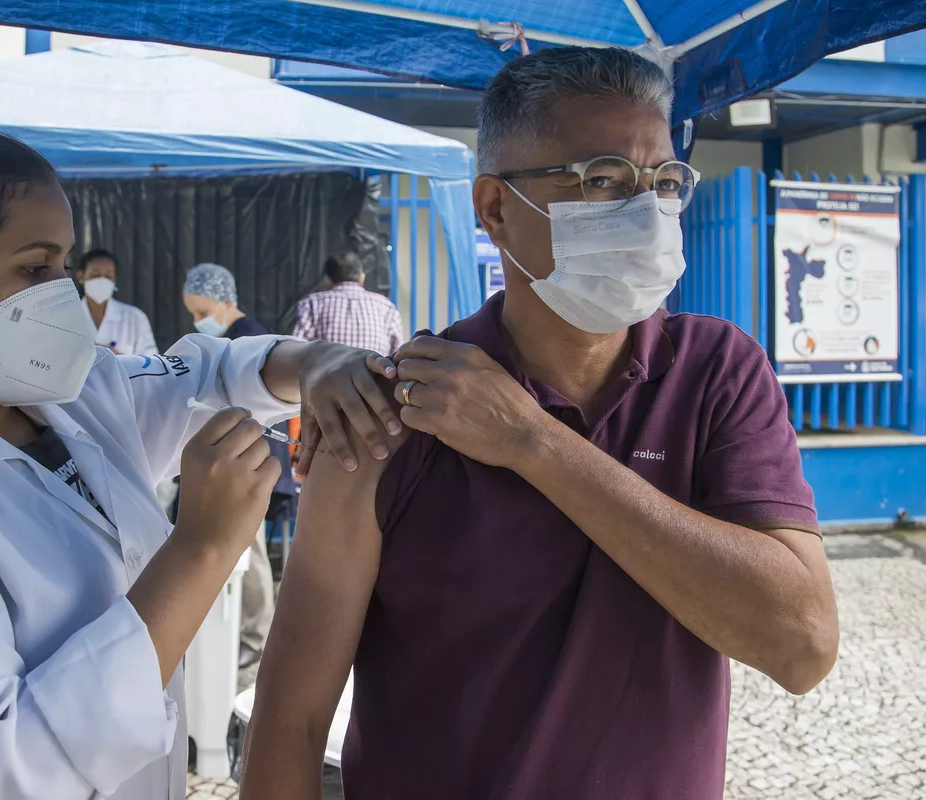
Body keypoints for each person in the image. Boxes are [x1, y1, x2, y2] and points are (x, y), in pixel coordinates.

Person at [243, 47, 839, 800]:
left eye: (661, 182)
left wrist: (532, 442)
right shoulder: (396, 414)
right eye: (602, 180)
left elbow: (803, 647)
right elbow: (290, 722)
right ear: (495, 209)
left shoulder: (715, 374)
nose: (645, 211)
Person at [0, 123, 403, 800]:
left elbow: (205, 372)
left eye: (63, 266)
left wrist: (318, 361)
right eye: (35, 269)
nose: (63, 296)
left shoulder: (70, 397)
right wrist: (201, 549)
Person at [181, 263, 295, 670]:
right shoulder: (236, 340)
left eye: (202, 312)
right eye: (192, 314)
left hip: (253, 461)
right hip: (247, 460)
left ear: (226, 302)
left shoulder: (248, 342)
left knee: (252, 549)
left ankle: (256, 634)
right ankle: (251, 632)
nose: (198, 322)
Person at [292, 251, 404, 355]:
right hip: (374, 376)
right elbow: (398, 355)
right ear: (362, 277)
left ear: (328, 279)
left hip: (326, 376)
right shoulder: (386, 307)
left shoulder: (312, 304)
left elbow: (297, 351)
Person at [74, 248, 157, 355]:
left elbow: (152, 363)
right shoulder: (66, 317)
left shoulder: (135, 317)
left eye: (109, 276)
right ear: (81, 276)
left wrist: (117, 359)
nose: (102, 281)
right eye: (95, 275)